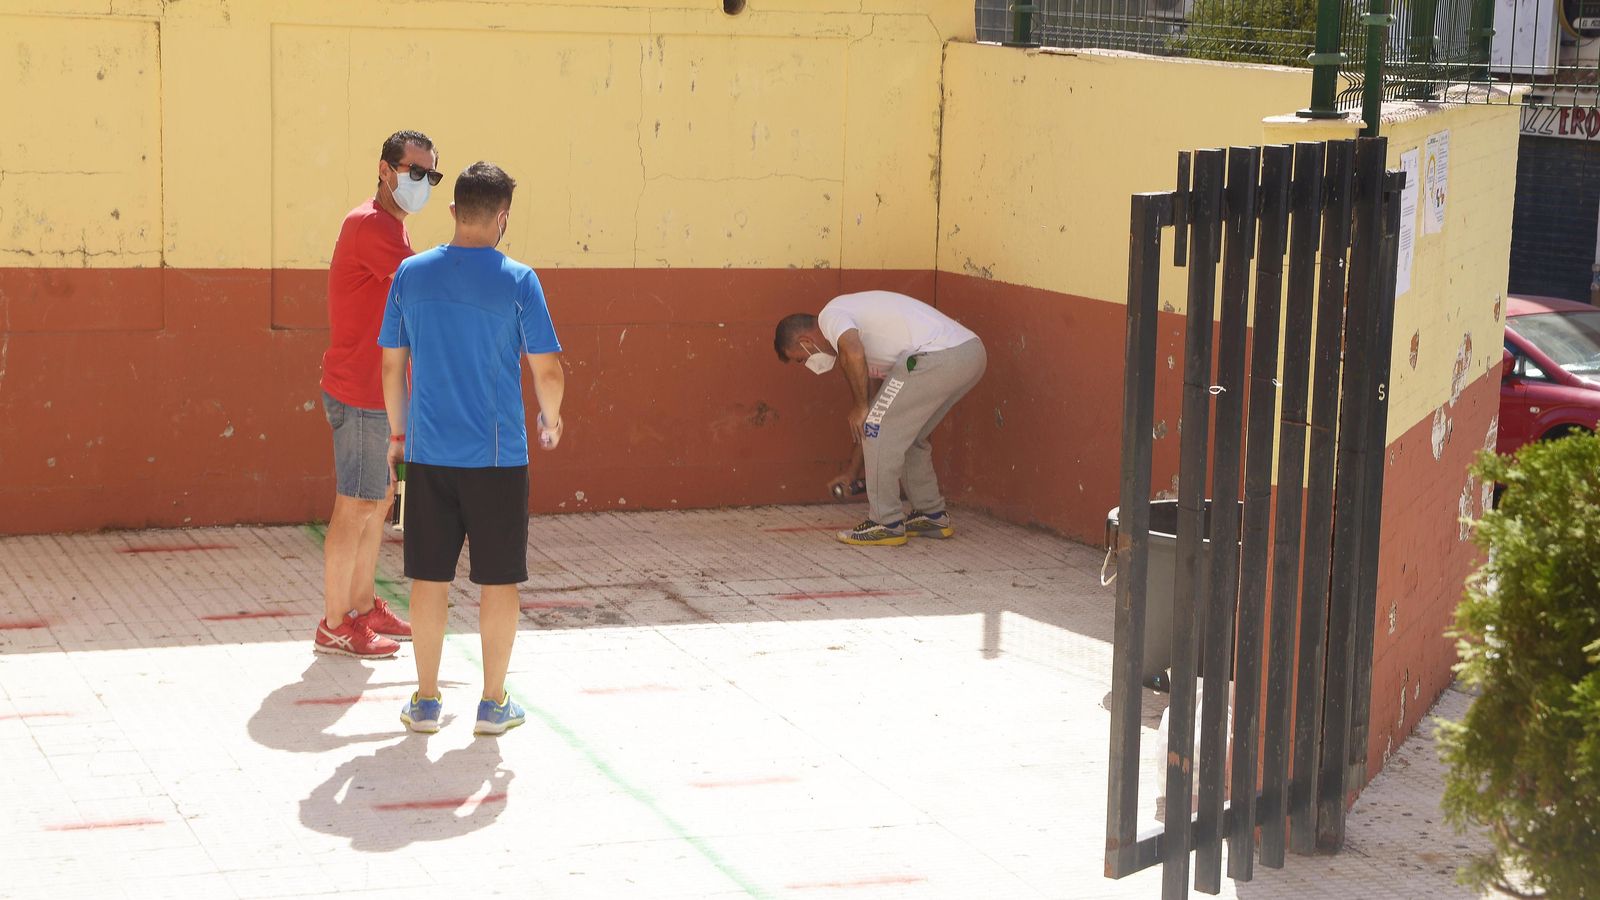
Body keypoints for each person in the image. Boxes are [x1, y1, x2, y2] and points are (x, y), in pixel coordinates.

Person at [379, 161, 565, 736]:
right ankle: (491, 703)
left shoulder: (411, 274)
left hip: (429, 455)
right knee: (498, 580)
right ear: (503, 218)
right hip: (498, 460)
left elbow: (392, 364)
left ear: (454, 210)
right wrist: (551, 419)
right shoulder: (519, 280)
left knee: (428, 579)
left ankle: (427, 702)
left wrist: (397, 436)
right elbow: (548, 370)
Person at [313, 130, 441, 659]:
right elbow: (427, 289)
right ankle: (334, 623)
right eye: (415, 173)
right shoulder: (372, 226)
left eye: (431, 176)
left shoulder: (391, 227)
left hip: (381, 394)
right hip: (361, 393)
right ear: (386, 170)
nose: (423, 184)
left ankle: (364, 607)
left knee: (380, 501)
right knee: (356, 504)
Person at [774, 290, 986, 546]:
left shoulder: (831, 316)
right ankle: (932, 515)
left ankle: (885, 522)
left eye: (800, 360)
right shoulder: (866, 348)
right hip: (968, 355)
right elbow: (875, 412)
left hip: (937, 356)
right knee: (909, 437)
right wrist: (852, 472)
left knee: (878, 428)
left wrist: (859, 406)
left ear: (806, 342)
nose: (807, 364)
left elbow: (854, 355)